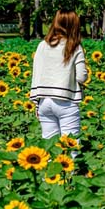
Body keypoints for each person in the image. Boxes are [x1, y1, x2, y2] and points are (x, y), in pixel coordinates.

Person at [30, 9, 88, 139]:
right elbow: (81, 77)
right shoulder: (74, 46)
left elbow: (36, 75)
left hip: (44, 101)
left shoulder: (42, 45)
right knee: (71, 146)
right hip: (66, 101)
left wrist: (36, 103)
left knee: (50, 147)